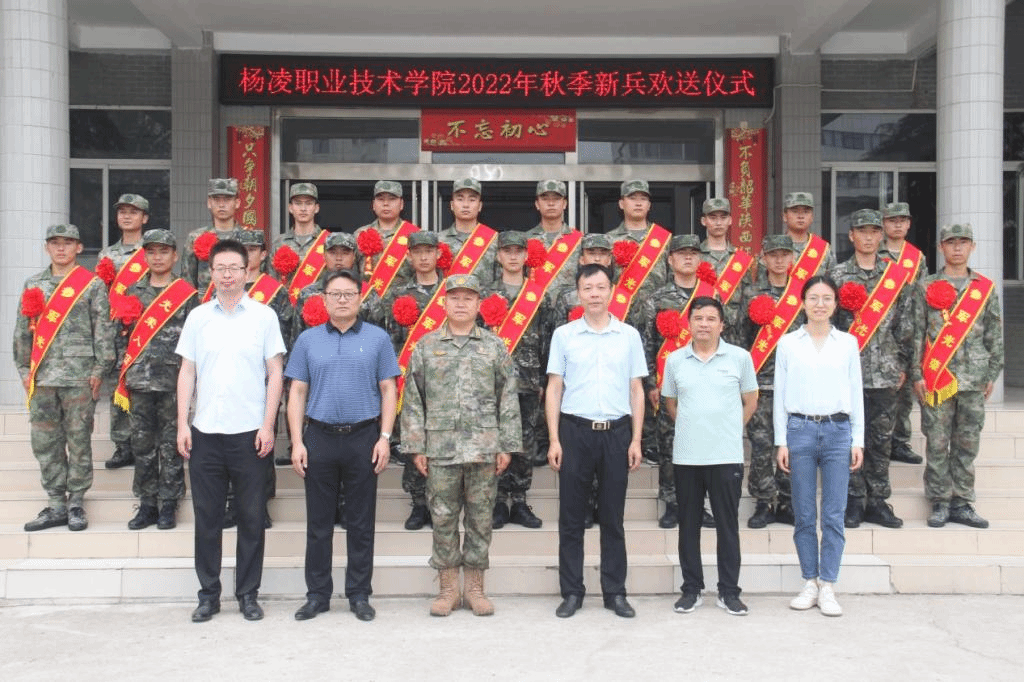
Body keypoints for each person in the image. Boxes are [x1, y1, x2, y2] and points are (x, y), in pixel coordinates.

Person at [175, 239, 286, 623]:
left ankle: (248, 594)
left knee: (251, 519)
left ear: (247, 271)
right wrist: (182, 423)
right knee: (207, 520)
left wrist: (269, 425)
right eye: (220, 268)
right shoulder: (198, 317)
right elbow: (187, 371)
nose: (227, 275)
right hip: (205, 433)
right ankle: (208, 595)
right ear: (211, 273)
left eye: (234, 268)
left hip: (250, 434)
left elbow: (275, 373)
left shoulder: (264, 316)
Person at [402, 274, 521, 617]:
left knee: (481, 518)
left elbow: (507, 397)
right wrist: (416, 446)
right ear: (444, 303)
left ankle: (475, 588)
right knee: (442, 517)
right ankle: (448, 589)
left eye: (468, 298)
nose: (461, 304)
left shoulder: (494, 346)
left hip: (484, 446)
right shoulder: (426, 346)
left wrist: (507, 445)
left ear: (479, 304)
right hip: (441, 448)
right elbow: (413, 399)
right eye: (454, 297)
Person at [286, 269, 399, 622]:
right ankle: (317, 595)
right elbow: (297, 392)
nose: (342, 300)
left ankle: (359, 594)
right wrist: (296, 442)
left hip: (363, 437)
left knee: (361, 523)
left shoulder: (378, 339)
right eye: (335, 294)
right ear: (323, 299)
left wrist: (384, 437)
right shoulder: (308, 340)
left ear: (360, 298)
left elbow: (389, 389)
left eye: (349, 294)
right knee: (318, 524)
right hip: (319, 437)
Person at [546, 263, 646, 620]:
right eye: (587, 288)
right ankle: (572, 592)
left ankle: (615, 592)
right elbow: (554, 388)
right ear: (578, 293)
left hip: (616, 433)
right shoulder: (564, 335)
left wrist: (636, 439)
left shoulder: (629, 336)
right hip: (575, 432)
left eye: (601, 287)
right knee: (571, 518)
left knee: (613, 518)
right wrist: (554, 439)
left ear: (611, 291)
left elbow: (636, 389)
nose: (594, 295)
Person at [15, 224, 116, 532]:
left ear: (78, 247)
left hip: (79, 377)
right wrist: (24, 370)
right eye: (55, 243)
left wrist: (100, 370)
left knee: (79, 441)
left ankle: (76, 503)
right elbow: (22, 332)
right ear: (47, 247)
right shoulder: (33, 284)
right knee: (45, 442)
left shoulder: (91, 284)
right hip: (43, 377)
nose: (61, 248)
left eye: (67, 243)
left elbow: (103, 330)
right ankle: (56, 502)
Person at [774, 275, 864, 617]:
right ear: (803, 302)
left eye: (827, 298)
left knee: (833, 513)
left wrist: (858, 439)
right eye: (813, 297)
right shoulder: (788, 343)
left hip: (838, 431)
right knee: (804, 512)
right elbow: (779, 395)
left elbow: (856, 391)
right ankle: (809, 580)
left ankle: (828, 584)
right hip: (799, 430)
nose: (820, 304)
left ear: (836, 304)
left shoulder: (848, 343)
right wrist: (781, 440)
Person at [662, 297, 757, 617]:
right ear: (689, 324)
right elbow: (671, 404)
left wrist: (728, 429)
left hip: (725, 456)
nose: (704, 324)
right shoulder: (675, 360)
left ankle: (729, 591)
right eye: (698, 318)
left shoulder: (740, 358)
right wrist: (694, 427)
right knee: (688, 526)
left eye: (711, 318)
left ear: (722, 325)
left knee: (727, 526)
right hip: (687, 457)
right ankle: (691, 590)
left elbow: (751, 401)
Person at [913, 223, 1004, 529]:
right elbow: (917, 333)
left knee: (967, 443)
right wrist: (916, 374)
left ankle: (962, 501)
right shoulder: (925, 286)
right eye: (951, 242)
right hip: (937, 377)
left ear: (972, 247)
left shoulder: (984, 288)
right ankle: (939, 501)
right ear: (941, 247)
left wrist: (992, 373)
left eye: (963, 242)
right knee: (937, 442)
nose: (957, 248)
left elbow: (994, 334)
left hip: (973, 377)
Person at [830, 209, 914, 529]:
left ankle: (878, 501)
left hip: (885, 372)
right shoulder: (838, 275)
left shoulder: (895, 276)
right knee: (849, 438)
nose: (868, 237)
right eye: (861, 231)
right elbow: (828, 325)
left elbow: (905, 324)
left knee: (881, 440)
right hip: (847, 374)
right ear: (851, 235)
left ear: (881, 236)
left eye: (873, 231)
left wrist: (902, 363)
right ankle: (854, 500)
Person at [118, 229, 197, 531]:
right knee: (142, 444)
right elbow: (120, 337)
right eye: (151, 251)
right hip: (139, 381)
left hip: (174, 382)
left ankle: (169, 504)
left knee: (172, 444)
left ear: (175, 256)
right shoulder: (132, 292)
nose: (158, 257)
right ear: (145, 256)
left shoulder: (186, 294)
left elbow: (195, 341)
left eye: (164, 251)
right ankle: (147, 503)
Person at [645, 234, 713, 529]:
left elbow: (726, 341)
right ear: (670, 260)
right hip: (669, 387)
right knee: (669, 445)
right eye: (681, 253)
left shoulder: (712, 297)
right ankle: (672, 503)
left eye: (693, 253)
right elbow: (647, 344)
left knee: (703, 446)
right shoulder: (657, 298)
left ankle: (699, 504)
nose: (688, 258)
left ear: (700, 259)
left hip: (707, 386)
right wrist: (651, 384)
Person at [481, 231, 548, 530]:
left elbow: (547, 339)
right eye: (506, 251)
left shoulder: (539, 295)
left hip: (528, 381)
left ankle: (519, 500)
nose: (512, 256)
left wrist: (544, 378)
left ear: (525, 256)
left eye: (517, 251)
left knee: (524, 439)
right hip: (491, 382)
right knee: (494, 438)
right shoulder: (485, 295)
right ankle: (497, 500)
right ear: (498, 256)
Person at [739, 235, 803, 528]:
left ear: (792, 258)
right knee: (762, 444)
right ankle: (764, 501)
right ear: (763, 258)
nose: (779, 260)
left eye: (784, 254)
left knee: (793, 443)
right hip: (761, 381)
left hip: (795, 383)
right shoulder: (751, 292)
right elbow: (740, 336)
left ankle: (788, 501)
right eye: (773, 254)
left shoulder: (803, 293)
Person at [381, 230, 444, 530]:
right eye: (417, 252)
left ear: (438, 254)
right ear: (408, 257)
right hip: (410, 380)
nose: (423, 257)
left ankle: (442, 501)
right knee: (414, 439)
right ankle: (418, 503)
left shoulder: (451, 292)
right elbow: (390, 340)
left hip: (446, 380)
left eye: (429, 251)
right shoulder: (398, 295)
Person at [98, 193, 150, 470]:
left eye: (133, 211)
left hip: (145, 328)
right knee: (117, 385)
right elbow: (101, 294)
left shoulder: (152, 251)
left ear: (145, 218)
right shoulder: (107, 255)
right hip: (115, 330)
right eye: (122, 212)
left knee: (143, 386)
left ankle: (144, 442)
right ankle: (122, 445)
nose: (127, 216)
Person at [879, 202, 927, 465]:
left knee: (904, 392)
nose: (897, 224)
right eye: (892, 220)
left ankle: (899, 442)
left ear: (908, 224)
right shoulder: (875, 252)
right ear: (884, 224)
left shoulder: (917, 258)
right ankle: (880, 441)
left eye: (902, 220)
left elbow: (923, 294)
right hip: (881, 328)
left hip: (910, 330)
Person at [699, 197, 754, 345]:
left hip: (735, 333)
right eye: (713, 217)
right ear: (704, 221)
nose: (718, 222)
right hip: (702, 328)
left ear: (730, 220)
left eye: (723, 218)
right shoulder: (695, 256)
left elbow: (747, 297)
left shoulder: (741, 259)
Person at [181, 178, 245, 294]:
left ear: (237, 203)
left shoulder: (248, 238)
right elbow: (188, 280)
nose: (221, 205)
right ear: (209, 203)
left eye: (227, 199)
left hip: (240, 300)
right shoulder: (196, 237)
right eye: (216, 199)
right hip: (205, 301)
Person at [354, 180, 419, 290]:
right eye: (380, 199)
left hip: (404, 298)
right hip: (368, 298)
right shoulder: (360, 234)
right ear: (373, 205)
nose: (386, 204)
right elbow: (352, 272)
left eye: (392, 199)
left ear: (401, 204)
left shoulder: (414, 234)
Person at [437, 178, 498, 288]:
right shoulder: (438, 240)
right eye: (460, 199)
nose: (465, 205)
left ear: (480, 206)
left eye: (472, 200)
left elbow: (500, 281)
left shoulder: (494, 240)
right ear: (452, 205)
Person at [527, 179, 581, 295]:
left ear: (564, 204)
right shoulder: (525, 240)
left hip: (569, 304)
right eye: (545, 199)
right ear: (537, 204)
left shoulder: (579, 240)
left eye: (556, 199)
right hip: (535, 303)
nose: (551, 203)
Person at [782, 192, 836, 274]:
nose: (800, 216)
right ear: (785, 216)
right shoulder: (773, 247)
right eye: (795, 211)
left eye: (806, 212)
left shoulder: (824, 249)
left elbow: (832, 280)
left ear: (812, 217)